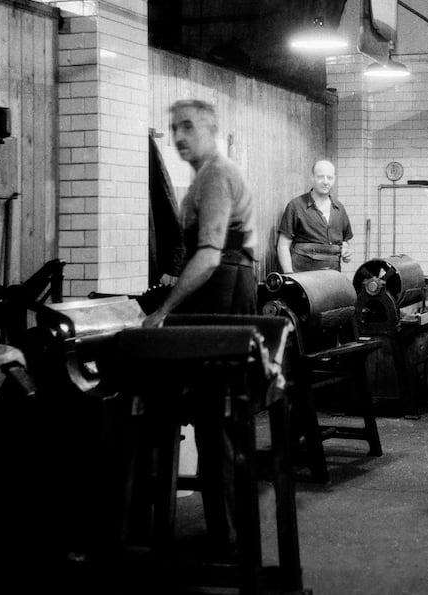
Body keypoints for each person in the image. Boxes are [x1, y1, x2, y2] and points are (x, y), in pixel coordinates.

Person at [142, 99, 258, 553]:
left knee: (219, 419)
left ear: (211, 129)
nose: (179, 136)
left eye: (188, 126)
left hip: (223, 294)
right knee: (218, 420)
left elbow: (208, 255)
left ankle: (228, 538)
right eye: (174, 128)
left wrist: (163, 312)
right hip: (225, 289)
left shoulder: (215, 175)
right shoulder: (206, 176)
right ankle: (228, 532)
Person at [276, 159, 353, 273]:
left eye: (330, 177)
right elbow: (282, 246)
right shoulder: (296, 206)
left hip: (332, 278)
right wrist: (290, 276)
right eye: (320, 177)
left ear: (334, 180)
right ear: (312, 178)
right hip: (303, 278)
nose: (325, 182)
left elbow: (345, 241)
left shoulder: (339, 208)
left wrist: (346, 251)